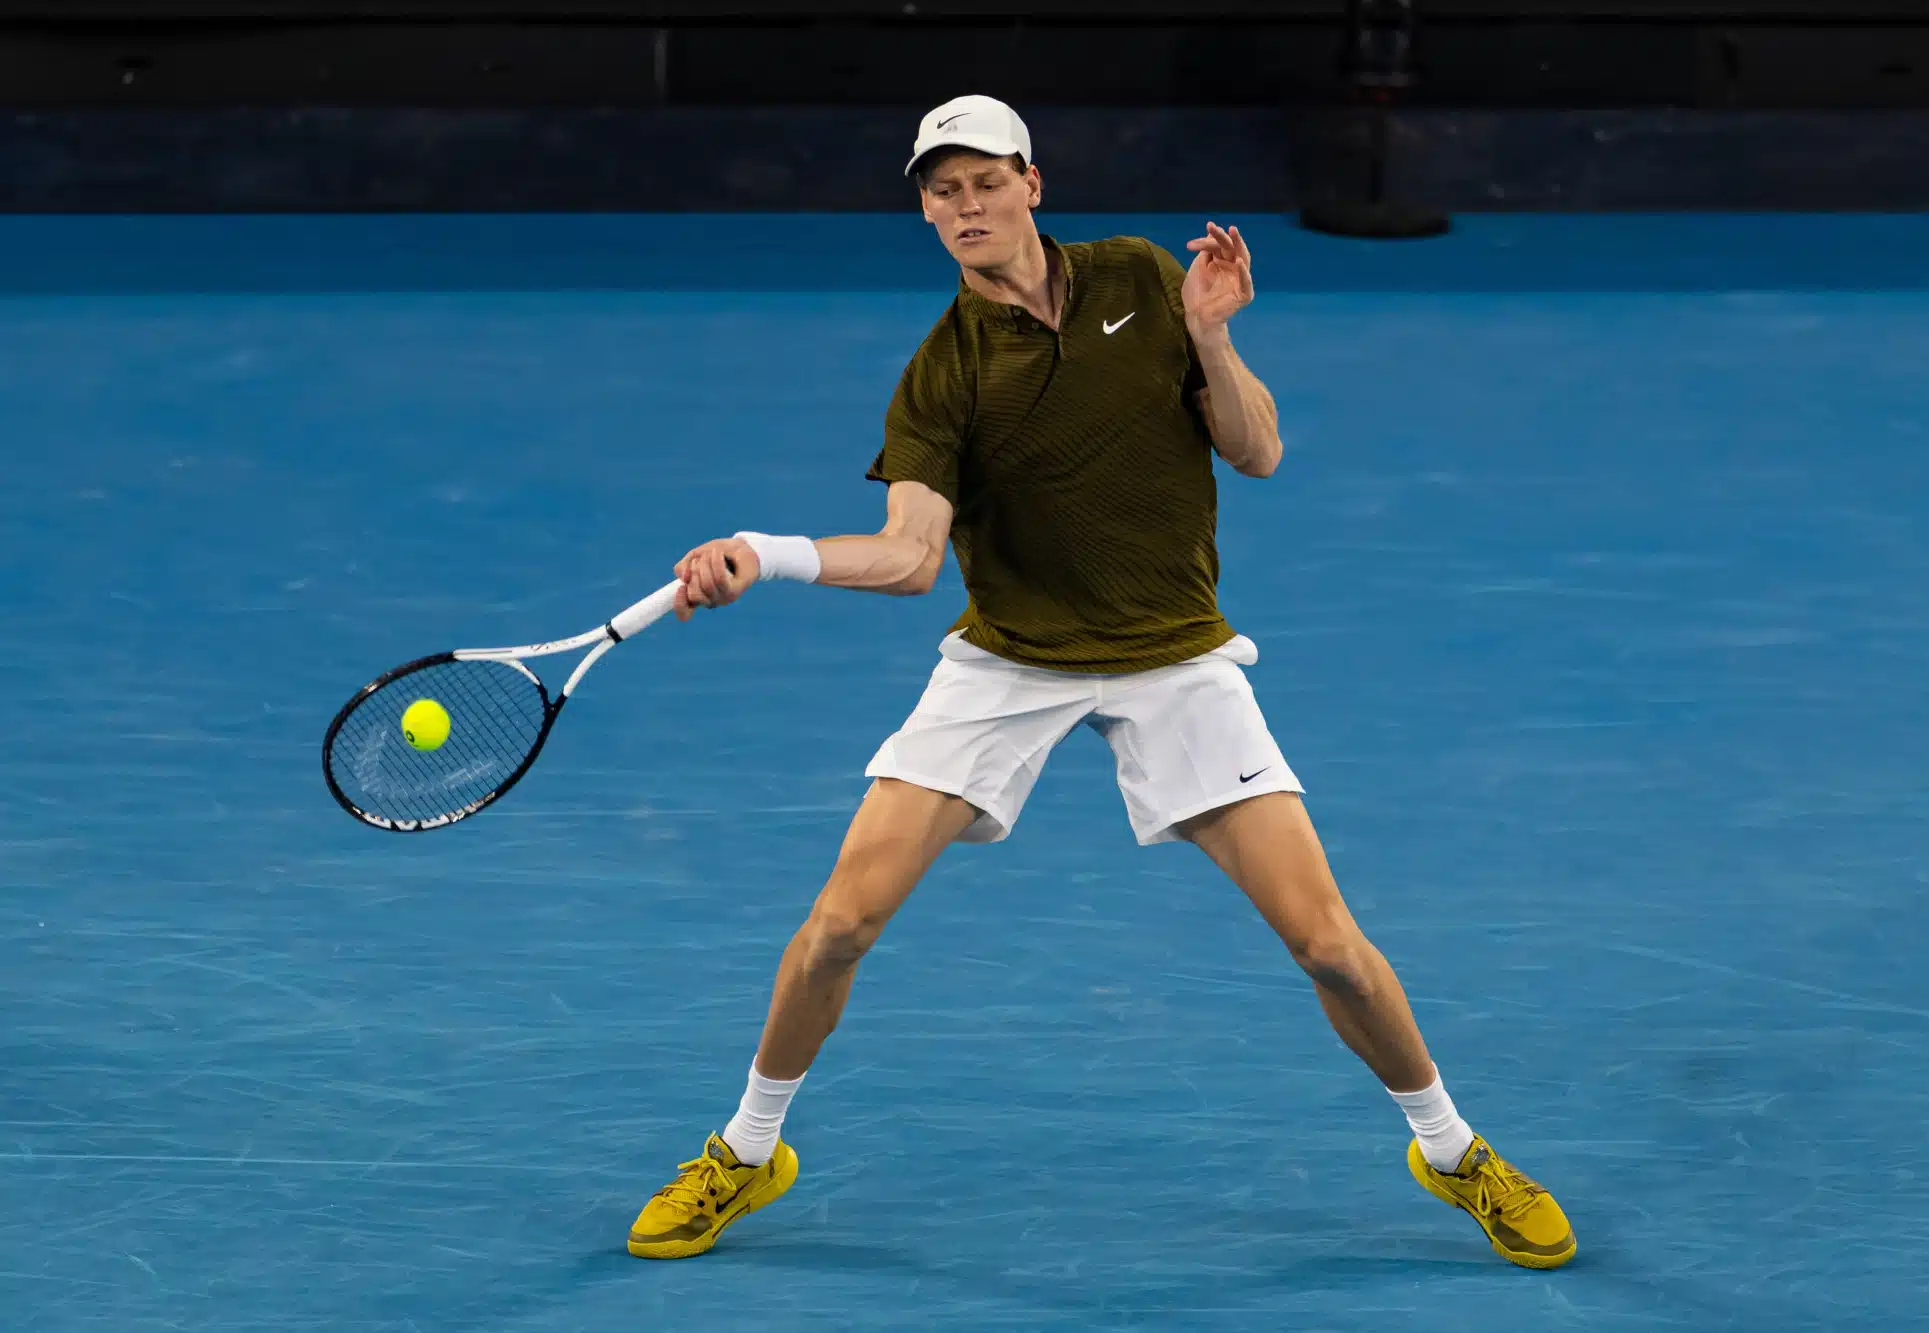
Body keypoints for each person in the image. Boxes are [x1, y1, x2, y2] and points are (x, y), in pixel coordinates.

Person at [626, 94, 1575, 1270]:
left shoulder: (1136, 277)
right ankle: (747, 1147)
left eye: (983, 181)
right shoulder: (941, 374)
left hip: (1174, 656)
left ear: (1033, 183)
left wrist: (1213, 338)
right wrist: (764, 556)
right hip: (1008, 661)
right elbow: (913, 557)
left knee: (1327, 944)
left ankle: (1450, 1153)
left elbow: (1258, 449)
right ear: (923, 210)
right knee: (836, 927)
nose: (964, 206)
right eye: (940, 190)